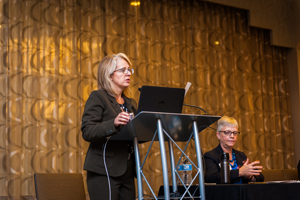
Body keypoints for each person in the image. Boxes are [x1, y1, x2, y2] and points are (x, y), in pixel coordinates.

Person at [81, 53, 137, 200]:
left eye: (129, 70)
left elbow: (138, 135)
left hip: (128, 171)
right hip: (103, 171)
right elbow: (87, 131)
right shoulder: (98, 97)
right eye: (122, 70)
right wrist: (113, 123)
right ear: (110, 75)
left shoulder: (131, 103)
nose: (128, 74)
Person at [204, 116, 264, 184]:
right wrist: (240, 172)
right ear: (218, 135)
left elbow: (260, 178)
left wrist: (250, 177)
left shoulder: (241, 155)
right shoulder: (210, 156)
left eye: (235, 133)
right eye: (227, 132)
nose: (232, 136)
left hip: (242, 193)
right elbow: (211, 178)